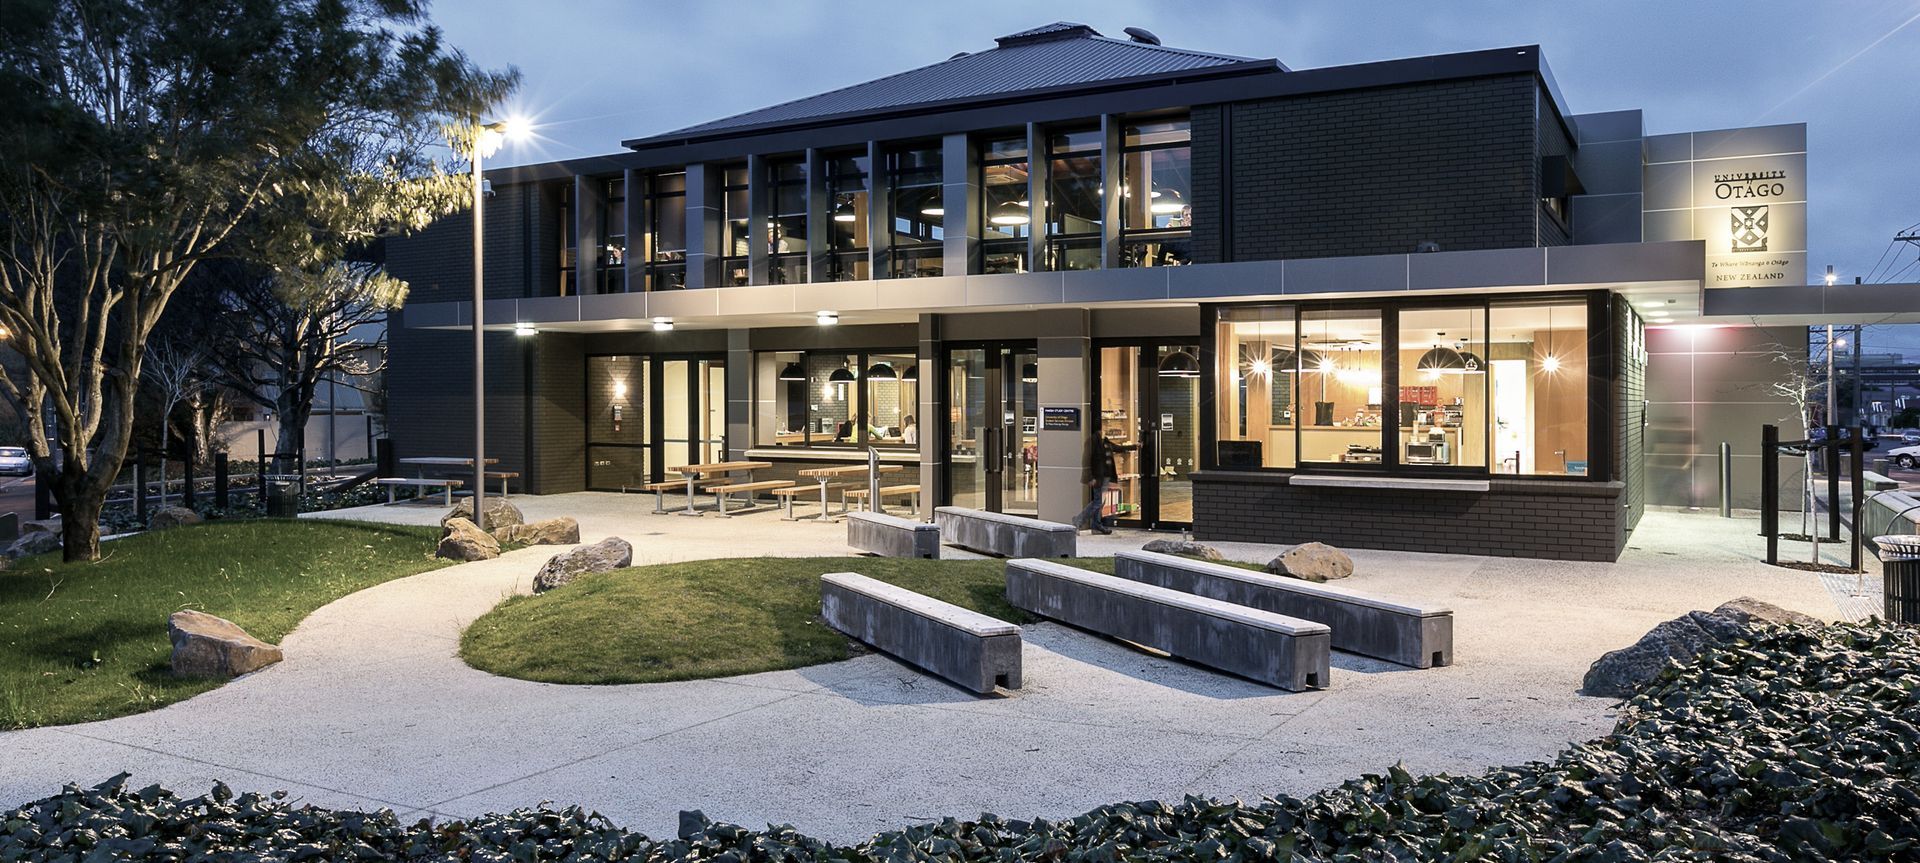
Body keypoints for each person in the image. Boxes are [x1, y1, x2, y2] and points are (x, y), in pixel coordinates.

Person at [1075, 436, 1138, 534]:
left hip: (1105, 477)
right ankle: (1079, 520)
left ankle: (1095, 524)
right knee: (1098, 501)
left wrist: (1135, 446)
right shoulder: (1093, 442)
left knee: (1101, 501)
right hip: (1098, 477)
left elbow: (1117, 448)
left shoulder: (1105, 441)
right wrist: (1090, 477)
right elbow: (1087, 460)